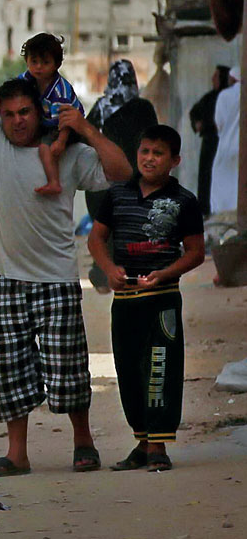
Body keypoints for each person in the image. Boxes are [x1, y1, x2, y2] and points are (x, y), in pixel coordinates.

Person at [0, 4, 133, 479]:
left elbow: (121, 171)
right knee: (10, 371)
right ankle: (17, 453)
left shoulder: (67, 155)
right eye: (9, 114)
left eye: (25, 112)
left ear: (38, 113)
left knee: (69, 370)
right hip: (3, 280)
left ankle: (83, 443)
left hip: (57, 278)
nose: (18, 120)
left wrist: (84, 127)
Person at [86, 124, 205, 472]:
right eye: (145, 151)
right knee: (128, 369)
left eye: (158, 153)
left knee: (160, 368)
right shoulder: (118, 194)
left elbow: (196, 252)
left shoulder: (184, 201)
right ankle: (141, 441)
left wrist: (165, 274)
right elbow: (96, 239)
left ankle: (158, 446)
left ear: (175, 160)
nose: (149, 159)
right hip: (125, 298)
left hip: (162, 298)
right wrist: (109, 269)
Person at [84, 59, 158, 291]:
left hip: (103, 182)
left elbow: (83, 139)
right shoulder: (143, 107)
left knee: (105, 235)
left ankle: (103, 276)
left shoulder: (100, 108)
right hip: (137, 184)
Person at [0, 33, 85, 197]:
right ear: (27, 61)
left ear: (57, 64)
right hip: (48, 121)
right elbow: (12, 89)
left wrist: (61, 140)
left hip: (69, 125)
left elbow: (66, 119)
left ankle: (54, 182)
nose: (39, 67)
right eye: (34, 62)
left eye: (45, 62)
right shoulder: (28, 77)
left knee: (45, 147)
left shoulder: (60, 90)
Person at [187, 65, 232, 212]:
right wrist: (197, 123)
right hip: (209, 143)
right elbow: (195, 112)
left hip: (223, 143)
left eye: (216, 76)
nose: (213, 79)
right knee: (206, 177)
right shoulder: (210, 97)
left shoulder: (227, 97)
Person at [211, 66, 240, 218]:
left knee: (223, 198)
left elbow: (219, 123)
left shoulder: (225, 96)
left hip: (226, 149)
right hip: (241, 151)